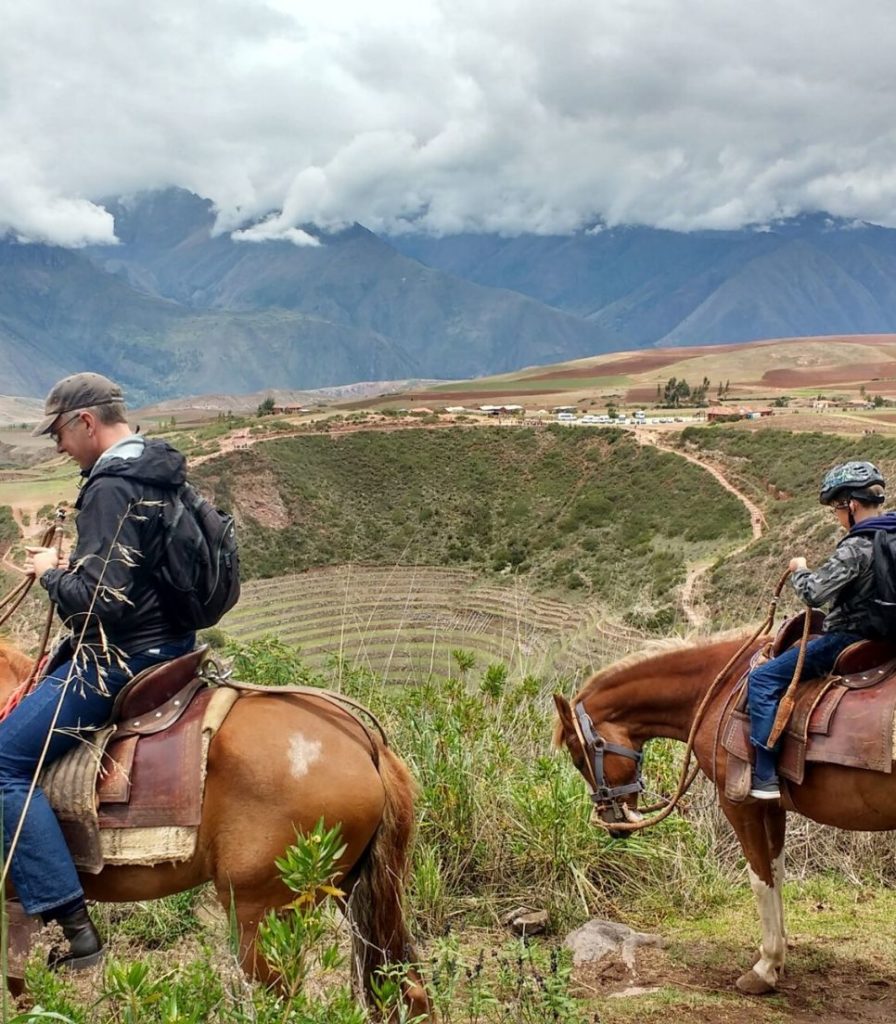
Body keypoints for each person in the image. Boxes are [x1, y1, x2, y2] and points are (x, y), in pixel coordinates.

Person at [0, 372, 196, 969]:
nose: (58, 445)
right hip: (173, 642)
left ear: (87, 421)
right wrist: (71, 563)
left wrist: (51, 572)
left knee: (2, 762)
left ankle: (76, 928)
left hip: (122, 655)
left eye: (60, 432)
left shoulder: (112, 485)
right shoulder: (157, 466)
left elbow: (102, 602)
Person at [748, 460, 895, 800]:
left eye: (836, 510)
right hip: (890, 639)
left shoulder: (857, 546)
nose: (837, 518)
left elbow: (814, 593)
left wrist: (799, 570)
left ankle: (766, 776)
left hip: (852, 637)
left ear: (852, 506)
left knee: (763, 679)